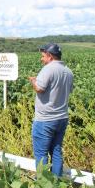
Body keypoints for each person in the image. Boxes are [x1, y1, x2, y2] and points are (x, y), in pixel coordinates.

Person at [28, 43, 74, 177]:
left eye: (43, 56)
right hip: (62, 118)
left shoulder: (48, 69)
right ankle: (56, 183)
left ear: (50, 56)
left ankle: (43, 184)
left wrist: (33, 81)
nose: (42, 59)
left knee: (41, 153)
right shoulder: (68, 71)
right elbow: (65, 90)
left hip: (45, 119)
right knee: (56, 150)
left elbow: (40, 89)